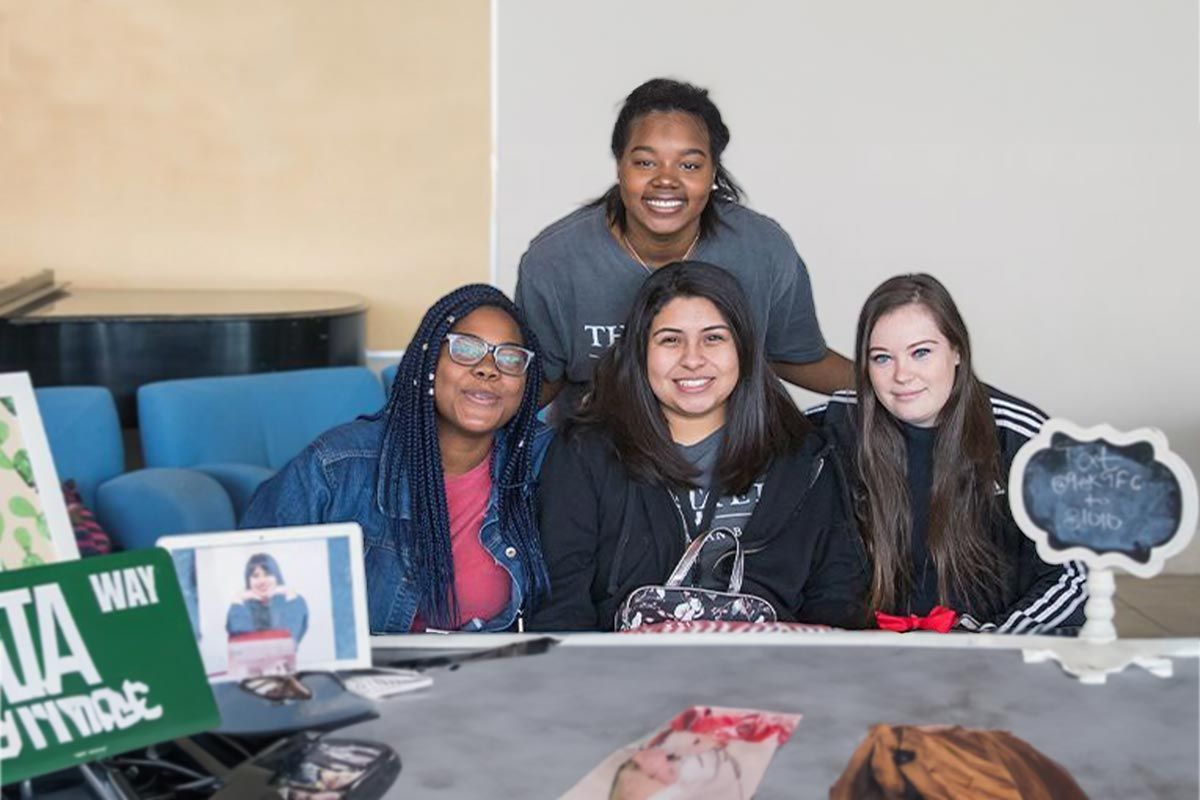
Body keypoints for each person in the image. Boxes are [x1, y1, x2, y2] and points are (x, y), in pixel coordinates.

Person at [529, 262, 865, 632]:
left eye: (713, 338)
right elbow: (559, 607)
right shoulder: (584, 453)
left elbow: (836, 605)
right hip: (623, 681)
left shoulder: (806, 459)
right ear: (640, 351)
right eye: (670, 339)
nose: (692, 359)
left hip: (769, 682)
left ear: (744, 349)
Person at [515, 77, 852, 414]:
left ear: (713, 172)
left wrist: (894, 386)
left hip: (735, 449)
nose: (666, 180)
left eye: (689, 165)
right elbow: (541, 383)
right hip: (600, 447)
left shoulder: (762, 249)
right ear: (619, 165)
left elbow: (793, 355)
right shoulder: (554, 261)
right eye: (645, 162)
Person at [242, 285, 552, 633]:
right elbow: (247, 588)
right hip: (367, 677)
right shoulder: (337, 467)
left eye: (509, 358)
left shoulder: (545, 462)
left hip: (495, 677)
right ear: (430, 361)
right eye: (465, 349)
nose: (488, 369)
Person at [810, 274, 1087, 633]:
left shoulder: (1026, 438)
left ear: (957, 351)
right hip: (872, 651)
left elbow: (1075, 576)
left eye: (921, 352)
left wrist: (991, 644)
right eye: (881, 358)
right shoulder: (835, 425)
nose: (902, 375)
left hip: (991, 649)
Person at [226, 553, 309, 643]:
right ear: (248, 580)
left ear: (276, 576)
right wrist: (238, 598)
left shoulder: (293, 601)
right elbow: (241, 642)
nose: (262, 581)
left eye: (267, 574)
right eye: (255, 576)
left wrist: (289, 592)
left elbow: (288, 640)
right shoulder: (241, 606)